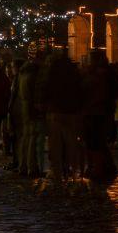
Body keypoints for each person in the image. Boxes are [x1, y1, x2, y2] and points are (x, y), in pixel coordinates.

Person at [42, 47, 84, 181]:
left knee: (56, 144)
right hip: (72, 111)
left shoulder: (53, 71)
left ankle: (56, 171)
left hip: (56, 111)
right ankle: (73, 170)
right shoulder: (74, 71)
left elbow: (47, 89)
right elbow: (80, 90)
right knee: (71, 142)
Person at [81, 50, 116, 184]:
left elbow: (95, 93)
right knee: (96, 141)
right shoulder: (102, 73)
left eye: (89, 59)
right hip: (98, 111)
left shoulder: (99, 75)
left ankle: (99, 168)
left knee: (95, 141)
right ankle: (104, 166)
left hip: (96, 111)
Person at [18, 44, 46, 177]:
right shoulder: (34, 75)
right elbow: (37, 93)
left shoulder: (22, 74)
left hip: (23, 106)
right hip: (31, 107)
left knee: (26, 136)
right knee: (32, 137)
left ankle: (22, 165)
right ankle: (31, 166)